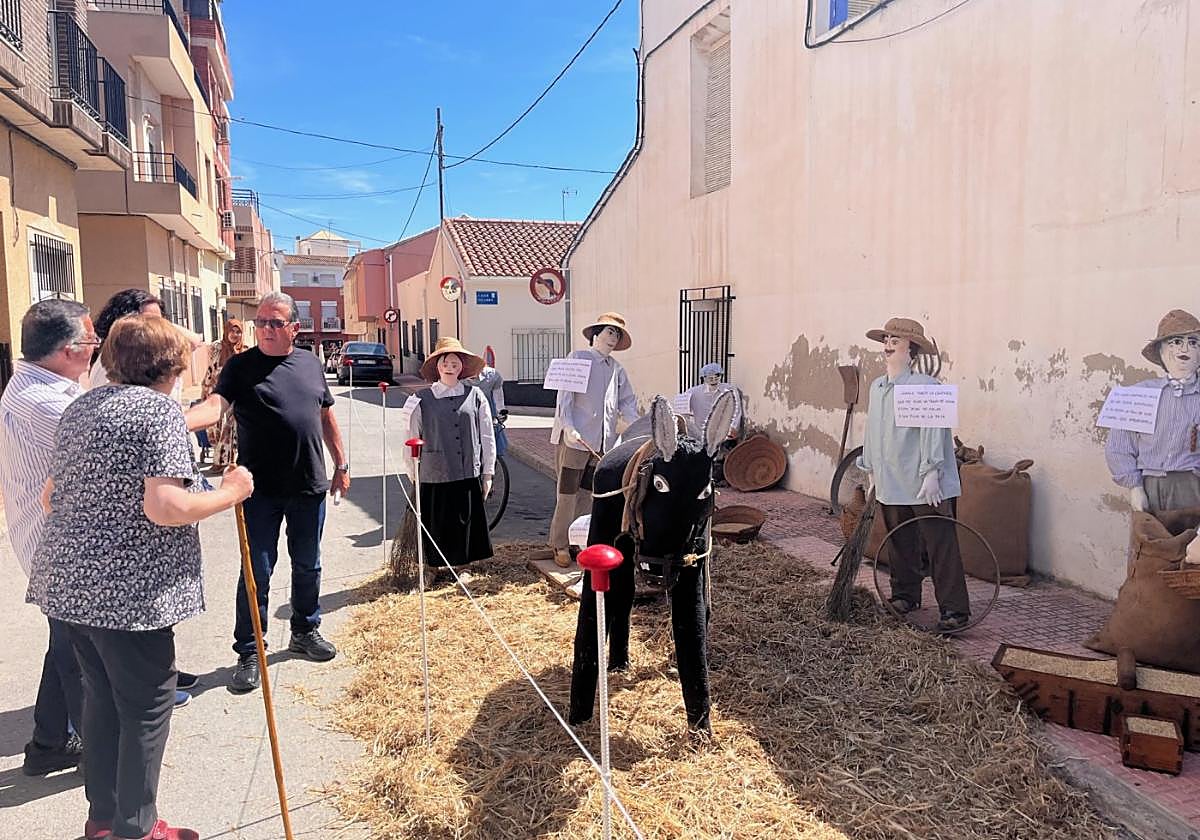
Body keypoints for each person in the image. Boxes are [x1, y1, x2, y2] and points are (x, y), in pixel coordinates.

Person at [28, 314, 254, 840]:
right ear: (170, 366)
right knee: (147, 707)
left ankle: (106, 820)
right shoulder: (158, 414)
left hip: (68, 586)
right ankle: (137, 828)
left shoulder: (82, 407)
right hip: (128, 596)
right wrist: (232, 491)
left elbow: (49, 497)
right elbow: (166, 506)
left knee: (102, 701)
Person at [186, 292, 350, 693]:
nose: (265, 329)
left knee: (308, 565)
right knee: (256, 572)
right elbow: (216, 406)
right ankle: (248, 651)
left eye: (275, 323)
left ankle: (304, 631)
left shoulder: (311, 364)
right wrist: (174, 420)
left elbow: (325, 414)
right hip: (257, 490)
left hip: (308, 484)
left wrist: (341, 464)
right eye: (261, 322)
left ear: (294, 328)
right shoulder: (240, 367)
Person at [0, 299, 94, 776]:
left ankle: (48, 742)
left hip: (46, 542)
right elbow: (111, 446)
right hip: (59, 548)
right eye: (91, 340)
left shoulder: (33, 386)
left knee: (65, 642)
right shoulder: (50, 403)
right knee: (80, 653)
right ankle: (97, 756)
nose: (96, 348)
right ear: (67, 350)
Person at [857, 317, 969, 633]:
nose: (888, 344)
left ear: (912, 349)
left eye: (897, 339)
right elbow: (874, 431)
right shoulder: (878, 387)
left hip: (923, 482)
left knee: (939, 542)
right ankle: (905, 595)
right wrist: (871, 468)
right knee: (899, 540)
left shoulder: (926, 387)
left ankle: (955, 610)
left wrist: (932, 471)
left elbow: (934, 431)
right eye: (887, 339)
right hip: (891, 478)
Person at [548, 312, 638, 569]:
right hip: (577, 440)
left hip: (602, 444)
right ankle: (560, 543)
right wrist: (568, 427)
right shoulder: (577, 359)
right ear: (596, 334)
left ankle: (579, 541)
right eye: (610, 331)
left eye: (617, 334)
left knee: (589, 494)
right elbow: (564, 398)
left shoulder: (617, 369)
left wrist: (637, 426)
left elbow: (627, 403)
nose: (613, 338)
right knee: (567, 492)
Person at [400, 337, 496, 576]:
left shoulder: (475, 396)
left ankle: (464, 565)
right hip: (434, 471)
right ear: (438, 366)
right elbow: (411, 436)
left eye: (455, 361)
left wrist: (488, 471)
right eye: (446, 361)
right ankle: (433, 567)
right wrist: (412, 472)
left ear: (462, 366)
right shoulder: (421, 399)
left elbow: (487, 435)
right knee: (436, 521)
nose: (450, 366)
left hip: (466, 469)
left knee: (464, 519)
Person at [1106, 309, 1200, 514]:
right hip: (1149, 485)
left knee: (1192, 544)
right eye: (1175, 342)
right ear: (1161, 351)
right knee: (1150, 543)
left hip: (1193, 487)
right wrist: (1135, 487)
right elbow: (1119, 444)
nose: (1185, 348)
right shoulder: (1140, 394)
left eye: (1193, 342)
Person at [89, 289, 203, 392]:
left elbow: (194, 341)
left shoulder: (160, 357)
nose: (155, 325)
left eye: (159, 320)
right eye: (147, 320)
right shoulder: (111, 361)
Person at [199, 319, 245, 469]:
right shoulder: (217, 347)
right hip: (217, 390)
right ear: (226, 331)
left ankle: (223, 461)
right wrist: (206, 388)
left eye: (238, 332)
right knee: (214, 426)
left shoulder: (244, 350)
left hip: (237, 393)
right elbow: (211, 369)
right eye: (232, 331)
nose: (235, 335)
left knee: (230, 427)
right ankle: (222, 456)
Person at [466, 361, 508, 457]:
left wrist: (501, 411)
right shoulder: (458, 378)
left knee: (493, 435)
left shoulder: (492, 376)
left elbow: (498, 396)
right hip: (468, 410)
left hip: (488, 410)